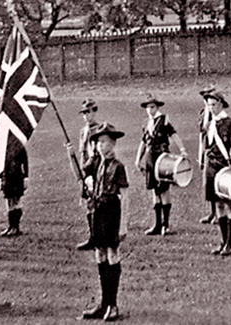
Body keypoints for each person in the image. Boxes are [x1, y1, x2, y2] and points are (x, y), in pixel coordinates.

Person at [79, 123, 130, 321]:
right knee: (99, 253)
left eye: (104, 142)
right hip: (97, 212)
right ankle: (103, 303)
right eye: (98, 142)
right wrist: (69, 153)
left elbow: (125, 196)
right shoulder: (95, 163)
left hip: (112, 213)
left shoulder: (118, 167)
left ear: (113, 143)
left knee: (112, 253)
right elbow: (80, 174)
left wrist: (123, 224)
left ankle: (113, 305)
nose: (100, 146)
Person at [135, 96, 188, 236]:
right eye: (147, 107)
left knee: (164, 190)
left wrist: (182, 150)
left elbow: (174, 135)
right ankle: (157, 225)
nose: (149, 110)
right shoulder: (146, 122)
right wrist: (138, 159)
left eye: (152, 107)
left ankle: (166, 225)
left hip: (163, 157)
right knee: (154, 190)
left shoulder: (164, 120)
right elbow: (143, 141)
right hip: (150, 158)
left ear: (157, 107)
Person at [203, 91, 231, 256]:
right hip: (212, 167)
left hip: (225, 166)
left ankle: (230, 243)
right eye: (209, 105)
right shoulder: (210, 124)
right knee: (217, 204)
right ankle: (223, 241)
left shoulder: (230, 122)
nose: (211, 108)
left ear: (220, 104)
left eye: (214, 104)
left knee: (229, 203)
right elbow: (207, 146)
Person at [74, 99, 101, 249]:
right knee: (89, 204)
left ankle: (98, 236)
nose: (85, 116)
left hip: (96, 169)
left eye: (88, 112)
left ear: (94, 112)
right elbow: (82, 153)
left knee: (97, 203)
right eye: (83, 113)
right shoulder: (83, 131)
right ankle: (92, 237)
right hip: (86, 170)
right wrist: (80, 175)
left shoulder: (99, 129)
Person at [197, 86, 219, 224]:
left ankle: (218, 213)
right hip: (207, 151)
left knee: (217, 183)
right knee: (208, 183)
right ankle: (212, 213)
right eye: (205, 97)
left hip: (217, 153)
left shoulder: (216, 113)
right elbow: (201, 135)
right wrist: (200, 155)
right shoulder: (203, 113)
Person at [0, 143, 28, 237]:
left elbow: (25, 162)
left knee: (16, 202)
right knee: (9, 202)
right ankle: (11, 226)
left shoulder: (19, 146)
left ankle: (16, 227)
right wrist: (1, 178)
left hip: (17, 177)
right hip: (7, 178)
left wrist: (26, 177)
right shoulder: (2, 147)